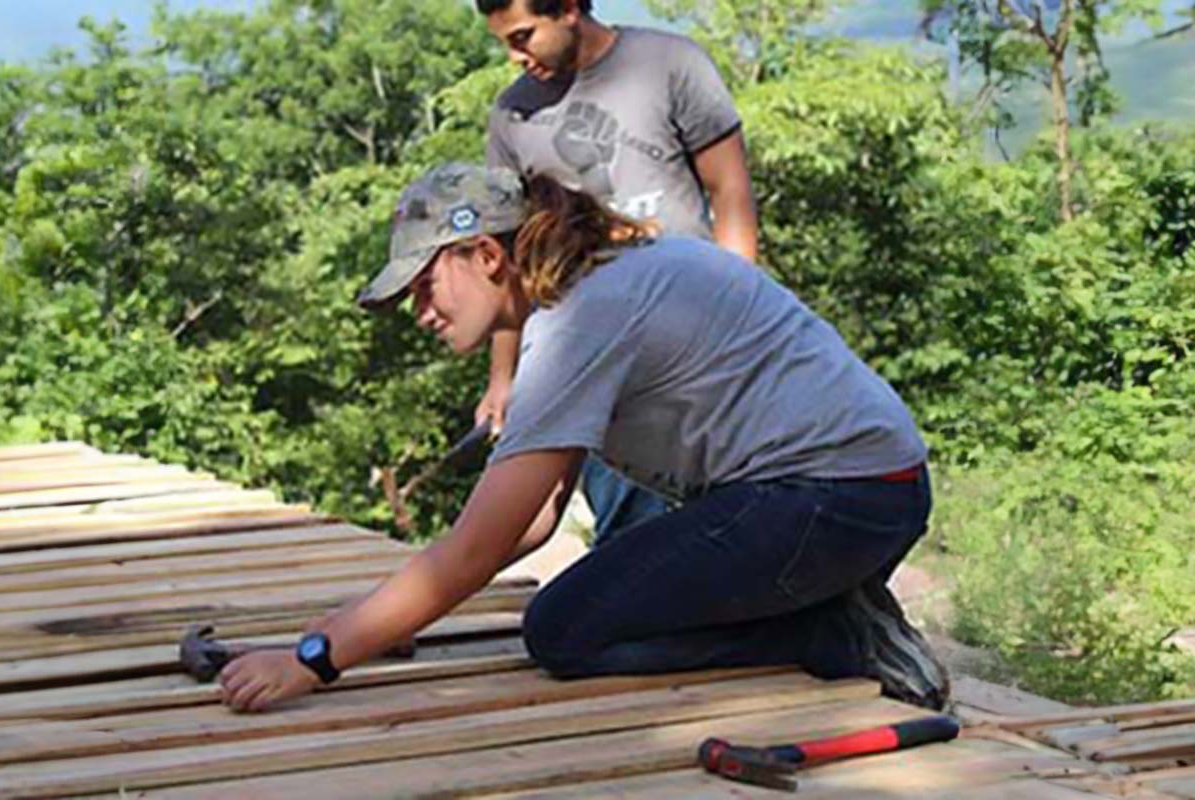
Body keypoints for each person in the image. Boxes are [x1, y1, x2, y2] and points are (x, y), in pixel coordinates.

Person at [217, 163, 950, 714]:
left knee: (566, 632)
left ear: (485, 255)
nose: (420, 312)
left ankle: (835, 634)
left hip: (834, 503)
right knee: (591, 605)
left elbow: (474, 550)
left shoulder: (578, 323)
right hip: (855, 498)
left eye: (424, 285)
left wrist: (316, 659)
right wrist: (369, 626)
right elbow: (528, 523)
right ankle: (823, 609)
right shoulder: (592, 293)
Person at [475, 0, 759, 545]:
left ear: (568, 10)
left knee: (730, 509)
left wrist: (737, 306)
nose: (514, 56)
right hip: (591, 354)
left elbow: (730, 190)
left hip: (690, 334)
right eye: (505, 41)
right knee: (630, 532)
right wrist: (503, 378)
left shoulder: (668, 63)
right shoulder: (512, 116)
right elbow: (514, 262)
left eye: (523, 36)